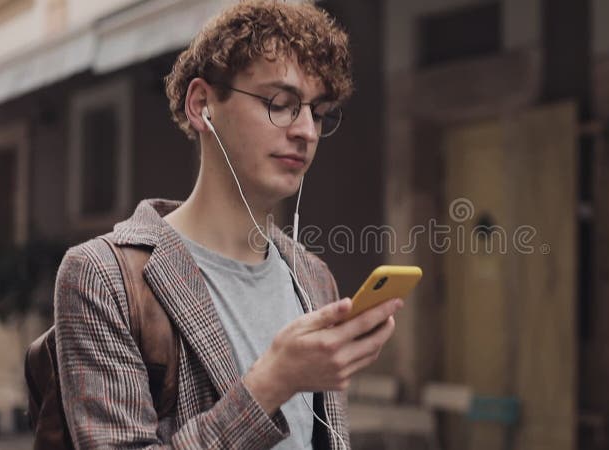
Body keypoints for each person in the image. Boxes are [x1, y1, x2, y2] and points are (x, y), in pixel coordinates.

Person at [53, 1, 401, 448]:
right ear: (203, 105)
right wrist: (272, 383)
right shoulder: (102, 277)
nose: (307, 132)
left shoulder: (313, 278)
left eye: (317, 112)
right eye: (281, 104)